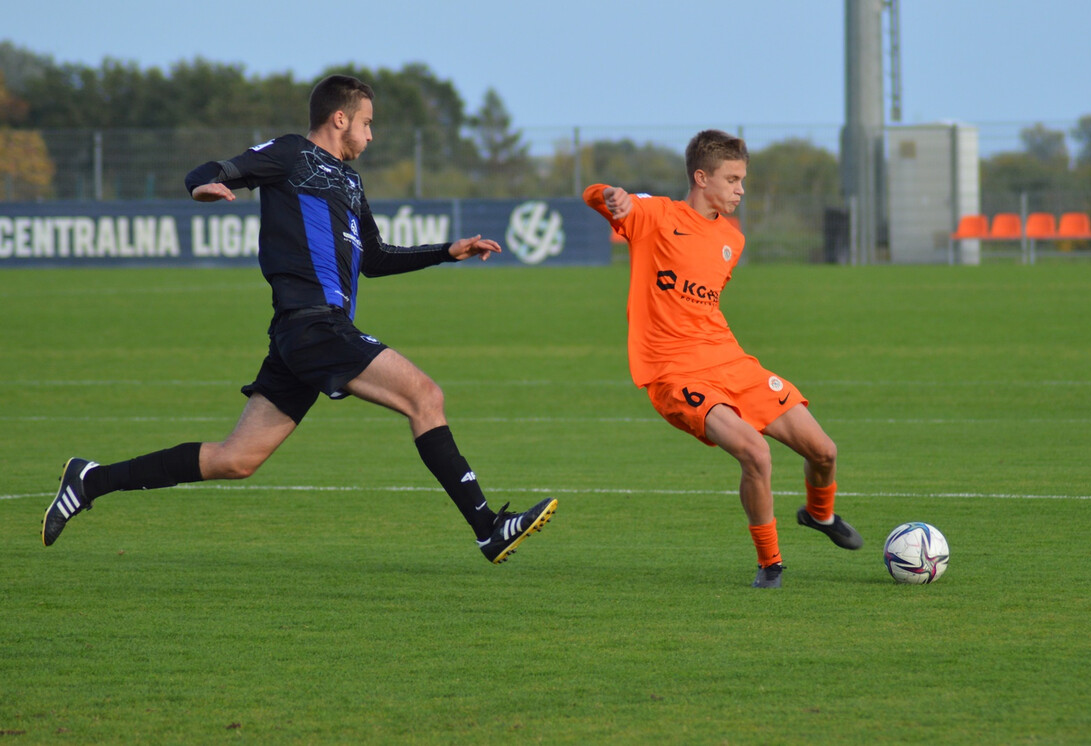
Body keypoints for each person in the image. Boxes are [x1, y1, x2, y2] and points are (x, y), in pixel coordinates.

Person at [43, 74, 556, 563]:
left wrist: (447, 251)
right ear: (339, 119)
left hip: (306, 334)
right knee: (426, 397)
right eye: (367, 123)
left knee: (235, 459)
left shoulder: (351, 184)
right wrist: (205, 187)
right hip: (313, 326)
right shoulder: (292, 154)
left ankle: (90, 480)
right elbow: (211, 170)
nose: (371, 135)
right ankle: (488, 527)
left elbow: (373, 260)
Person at [582, 129, 860, 588]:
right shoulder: (654, 215)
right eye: (732, 179)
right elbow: (598, 197)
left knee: (824, 451)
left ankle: (819, 515)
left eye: (742, 179)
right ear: (701, 177)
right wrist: (610, 196)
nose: (740, 189)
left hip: (731, 363)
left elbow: (703, 302)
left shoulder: (733, 240)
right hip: (673, 374)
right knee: (756, 452)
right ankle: (770, 563)